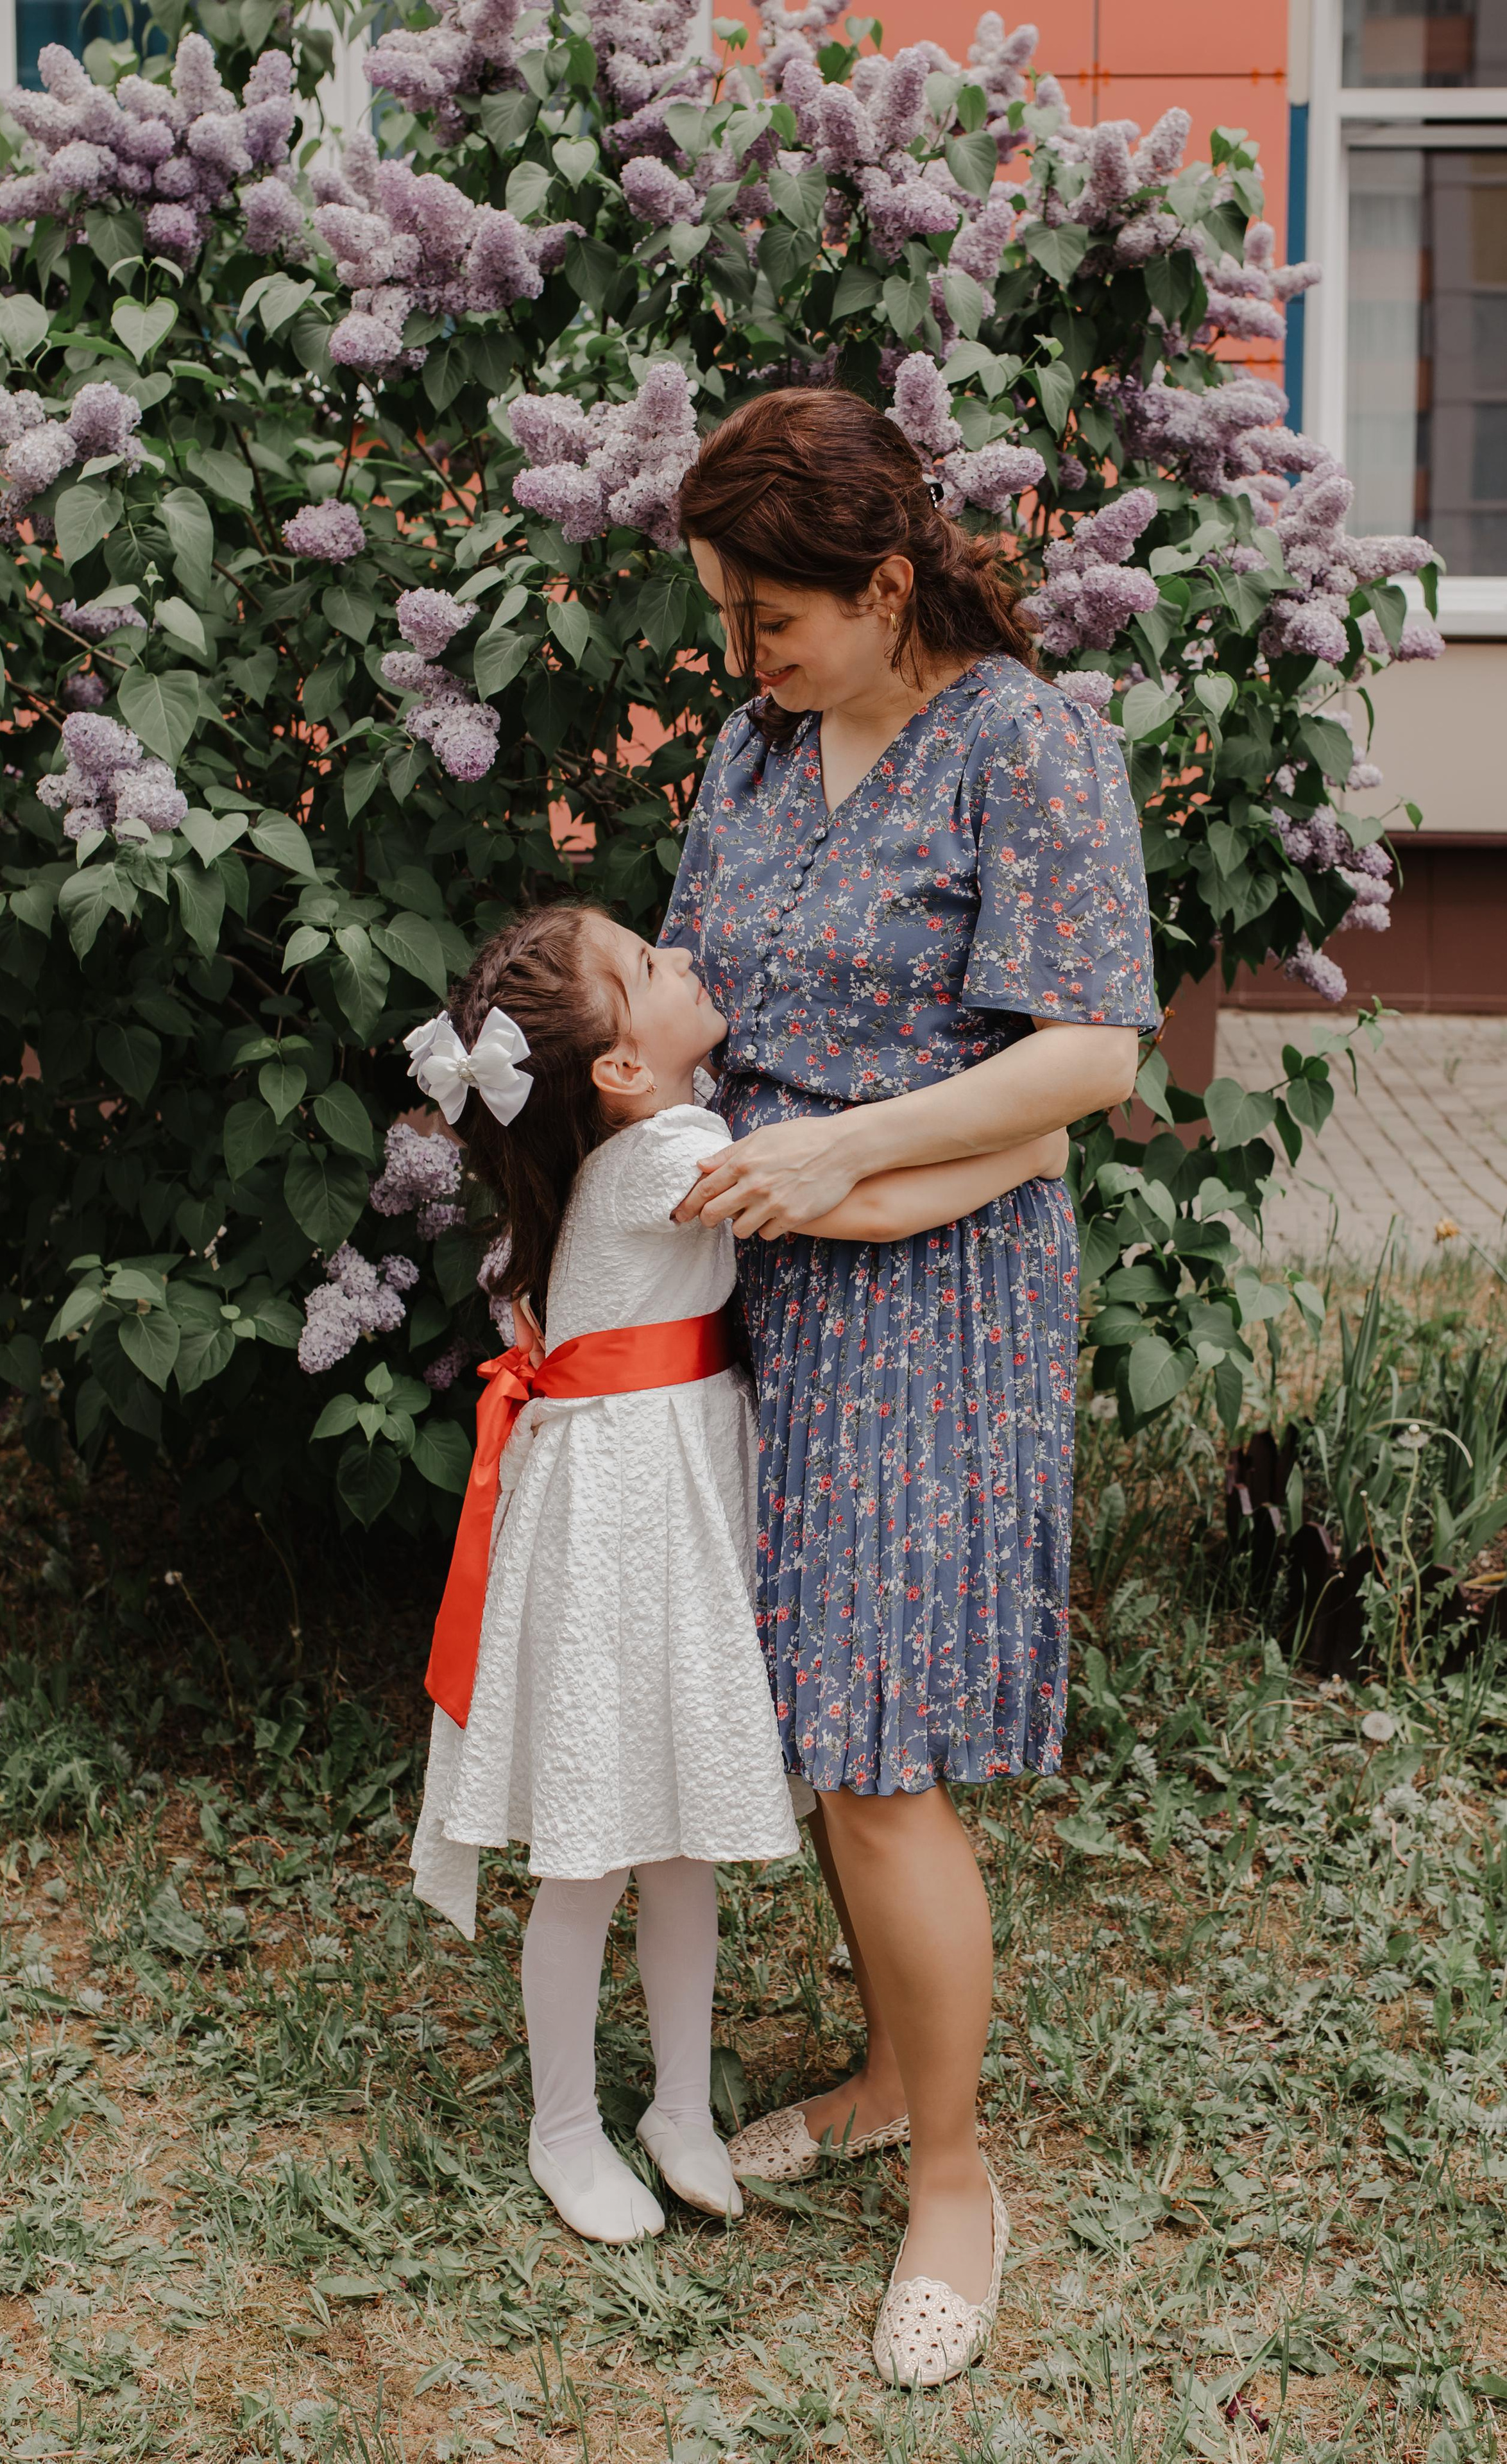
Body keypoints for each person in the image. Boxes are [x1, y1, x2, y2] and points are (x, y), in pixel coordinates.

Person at [660, 386, 1159, 2386]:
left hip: (932, 1299)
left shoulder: (1026, 746)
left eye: (769, 615)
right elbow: (693, 980)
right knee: (817, 1727)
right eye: (723, 616)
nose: (740, 655)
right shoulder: (760, 745)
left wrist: (856, 1169)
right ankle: (881, 2074)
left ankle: (953, 2171)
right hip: (777, 1267)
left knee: (880, 1759)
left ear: (884, 586)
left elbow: (1088, 1064)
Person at [406, 898, 1068, 2251]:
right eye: (652, 967)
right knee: (596, 1847)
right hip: (619, 1519)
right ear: (620, 1072)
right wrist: (1027, 1144)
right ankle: (564, 2126)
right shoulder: (670, 1152)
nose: (688, 957)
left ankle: (679, 2111)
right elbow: (863, 1205)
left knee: (678, 1844)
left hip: (663, 1493)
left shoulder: (650, 1136)